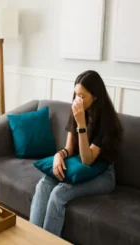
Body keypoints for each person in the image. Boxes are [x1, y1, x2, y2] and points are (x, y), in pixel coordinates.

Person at [29, 70, 123, 237]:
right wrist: (59, 156)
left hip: (103, 176)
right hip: (80, 167)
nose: (77, 100)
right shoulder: (77, 111)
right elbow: (70, 149)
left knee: (59, 193)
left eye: (82, 96)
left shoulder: (107, 124)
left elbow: (87, 159)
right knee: (44, 184)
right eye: (75, 94)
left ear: (95, 97)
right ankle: (32, 238)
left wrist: (81, 124)